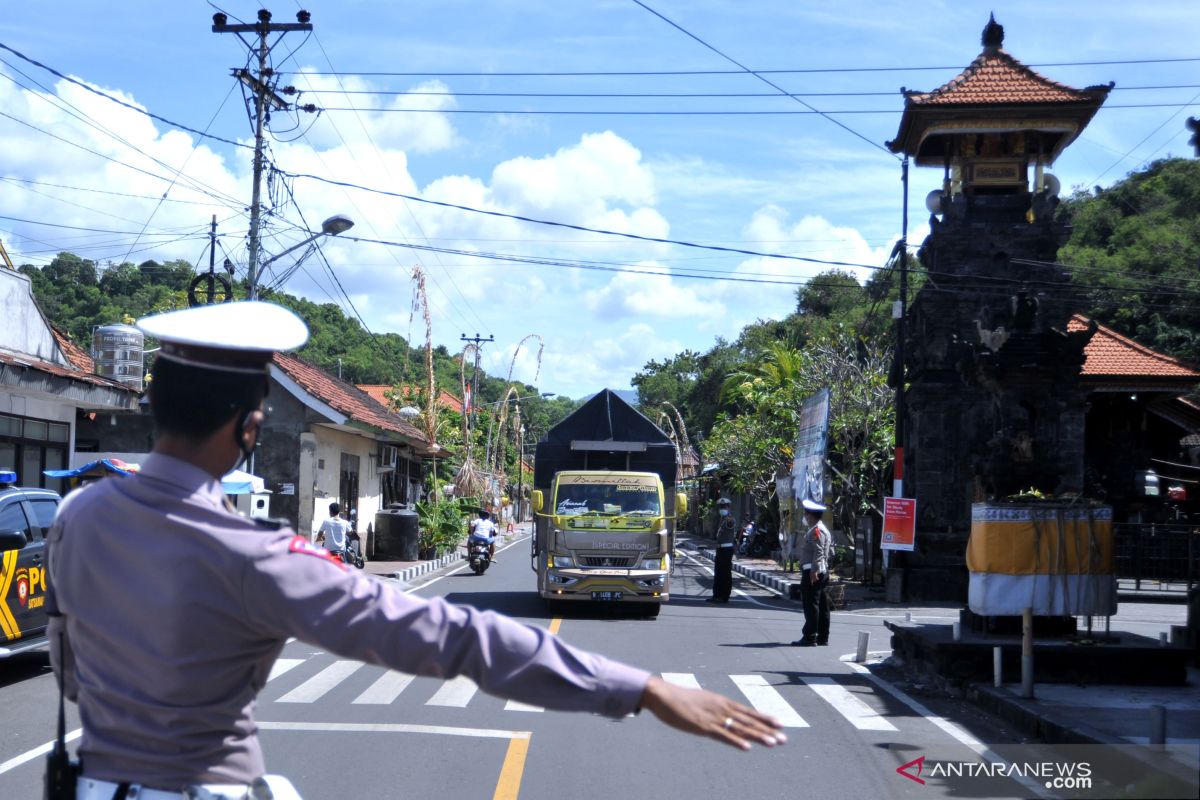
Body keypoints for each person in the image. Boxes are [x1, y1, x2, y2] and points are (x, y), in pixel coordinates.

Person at [46, 302, 784, 800]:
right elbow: (446, 635)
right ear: (248, 424)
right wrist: (642, 688)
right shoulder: (253, 557)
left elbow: (70, 668)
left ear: (154, 403)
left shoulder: (78, 515)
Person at [792, 498, 833, 647]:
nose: (805, 516)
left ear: (810, 515)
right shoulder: (820, 529)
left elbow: (819, 551)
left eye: (806, 514)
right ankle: (822, 636)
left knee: (811, 604)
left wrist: (814, 570)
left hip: (813, 571)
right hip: (819, 570)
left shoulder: (817, 530)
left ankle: (810, 636)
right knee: (821, 604)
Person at [707, 497, 736, 603]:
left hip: (727, 549)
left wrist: (728, 516)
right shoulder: (721, 519)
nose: (722, 508)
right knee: (718, 573)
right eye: (721, 507)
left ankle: (724, 596)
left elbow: (730, 524)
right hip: (720, 549)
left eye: (724, 506)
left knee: (725, 574)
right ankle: (717, 595)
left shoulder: (730, 519)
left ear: (728, 507)